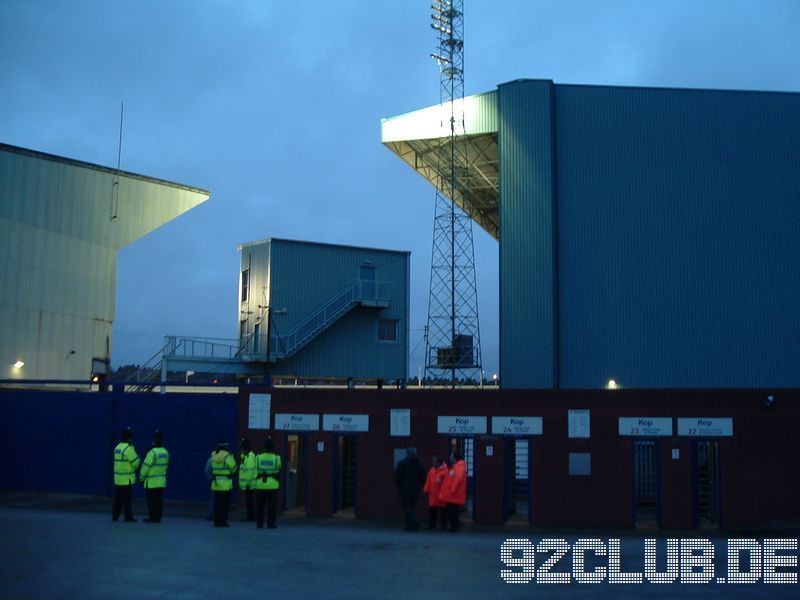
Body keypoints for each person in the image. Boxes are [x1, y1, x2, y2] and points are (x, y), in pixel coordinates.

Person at [140, 430, 169, 523]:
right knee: (159, 501)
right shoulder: (165, 452)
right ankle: (158, 517)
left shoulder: (152, 453)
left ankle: (152, 517)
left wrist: (141, 478)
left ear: (154, 441)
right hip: (161, 482)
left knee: (151, 502)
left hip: (151, 483)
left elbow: (145, 467)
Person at [112, 427, 140, 522]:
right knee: (127, 501)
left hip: (118, 479)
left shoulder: (117, 448)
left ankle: (115, 516)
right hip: (127, 479)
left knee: (118, 500)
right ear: (129, 438)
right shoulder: (128, 448)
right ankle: (128, 517)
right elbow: (136, 462)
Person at [394, 447, 426, 531]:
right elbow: (423, 477)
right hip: (416, 490)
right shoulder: (419, 464)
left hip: (404, 489)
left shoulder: (402, 464)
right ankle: (410, 526)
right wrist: (421, 486)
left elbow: (397, 476)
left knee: (406, 507)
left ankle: (414, 521)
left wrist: (399, 486)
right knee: (412, 507)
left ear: (407, 454)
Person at [255, 436, 282, 529]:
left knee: (260, 506)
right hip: (272, 485)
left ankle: (259, 523)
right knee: (271, 506)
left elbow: (256, 468)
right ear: (272, 447)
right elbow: (279, 468)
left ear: (264, 446)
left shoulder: (258, 457)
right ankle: (270, 523)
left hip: (260, 484)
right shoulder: (276, 458)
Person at [210, 440, 237, 527]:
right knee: (224, 505)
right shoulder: (227, 456)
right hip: (225, 485)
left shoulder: (213, 455)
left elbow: (210, 468)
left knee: (217, 504)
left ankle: (216, 521)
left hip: (216, 484)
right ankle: (223, 521)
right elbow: (234, 468)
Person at [439, 451, 467, 532]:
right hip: (453, 494)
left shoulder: (458, 467)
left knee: (453, 512)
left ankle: (453, 527)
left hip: (453, 494)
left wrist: (452, 489)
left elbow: (457, 479)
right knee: (453, 511)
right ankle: (454, 526)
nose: (450, 458)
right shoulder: (457, 466)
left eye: (451, 457)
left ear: (454, 458)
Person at [423, 456, 448, 530]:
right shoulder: (432, 470)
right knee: (432, 511)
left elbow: (447, 483)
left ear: (439, 462)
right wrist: (425, 490)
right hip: (433, 495)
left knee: (443, 512)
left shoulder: (445, 471)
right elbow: (428, 481)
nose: (433, 463)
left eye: (434, 461)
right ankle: (432, 525)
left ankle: (443, 526)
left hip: (441, 495)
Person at [238, 438, 257, 521]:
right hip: (248, 484)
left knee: (250, 501)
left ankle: (251, 516)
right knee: (249, 500)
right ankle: (250, 515)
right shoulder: (245, 456)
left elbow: (249, 471)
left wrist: (247, 484)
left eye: (242, 448)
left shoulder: (250, 457)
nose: (241, 450)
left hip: (249, 484)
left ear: (245, 448)